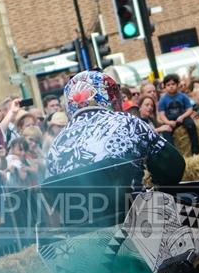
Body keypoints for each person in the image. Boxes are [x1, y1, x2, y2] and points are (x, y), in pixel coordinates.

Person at [46, 69, 184, 187]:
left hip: (81, 216)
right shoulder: (129, 123)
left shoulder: (55, 145)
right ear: (113, 100)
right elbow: (174, 168)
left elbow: (52, 195)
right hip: (134, 211)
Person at [157, 73, 199, 155]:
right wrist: (168, 122)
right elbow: (162, 114)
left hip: (183, 117)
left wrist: (183, 116)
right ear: (165, 86)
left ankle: (196, 151)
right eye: (168, 85)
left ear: (177, 85)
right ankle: (174, 154)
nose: (171, 86)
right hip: (170, 119)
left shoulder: (183, 96)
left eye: (173, 84)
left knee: (191, 125)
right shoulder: (163, 99)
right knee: (166, 132)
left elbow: (189, 109)